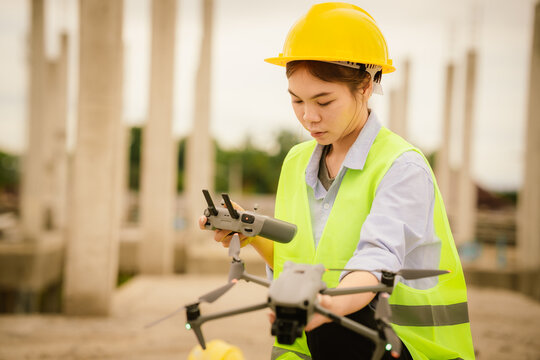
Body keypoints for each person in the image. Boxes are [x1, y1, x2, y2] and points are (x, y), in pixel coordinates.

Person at [200, 3, 475, 360]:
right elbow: (294, 258)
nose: (308, 116)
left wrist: (326, 303)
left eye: (323, 100)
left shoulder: (401, 167)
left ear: (365, 85)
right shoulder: (297, 161)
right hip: (309, 346)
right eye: (296, 100)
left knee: (336, 321)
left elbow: (377, 259)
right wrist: (249, 232)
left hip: (405, 346)